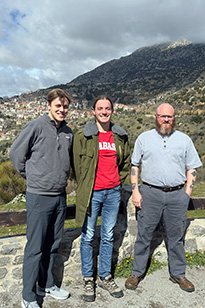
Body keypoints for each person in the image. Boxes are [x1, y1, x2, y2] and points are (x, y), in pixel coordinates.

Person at [125, 103, 202, 293]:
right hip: (150, 194)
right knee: (144, 235)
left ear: (174, 118)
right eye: (162, 116)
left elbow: (192, 168)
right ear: (156, 117)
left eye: (170, 117)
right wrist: (135, 191)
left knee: (176, 237)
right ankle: (136, 272)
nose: (166, 120)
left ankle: (178, 273)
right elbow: (134, 166)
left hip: (177, 195)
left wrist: (186, 195)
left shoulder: (184, 140)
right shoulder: (144, 138)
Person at [9, 88, 73, 308]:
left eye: (65, 106)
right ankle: (28, 296)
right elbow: (15, 154)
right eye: (58, 106)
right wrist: (32, 177)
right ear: (48, 106)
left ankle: (46, 285)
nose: (62, 110)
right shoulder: (36, 126)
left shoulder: (68, 132)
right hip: (38, 196)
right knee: (35, 247)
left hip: (59, 197)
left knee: (53, 244)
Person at [73, 95, 130, 302]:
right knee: (87, 236)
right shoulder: (84, 136)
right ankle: (88, 278)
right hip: (92, 194)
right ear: (93, 111)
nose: (104, 112)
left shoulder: (120, 137)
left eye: (107, 108)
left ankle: (105, 276)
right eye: (100, 108)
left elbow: (125, 163)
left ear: (112, 111)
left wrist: (119, 183)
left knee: (107, 235)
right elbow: (76, 167)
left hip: (113, 192)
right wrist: (85, 190)